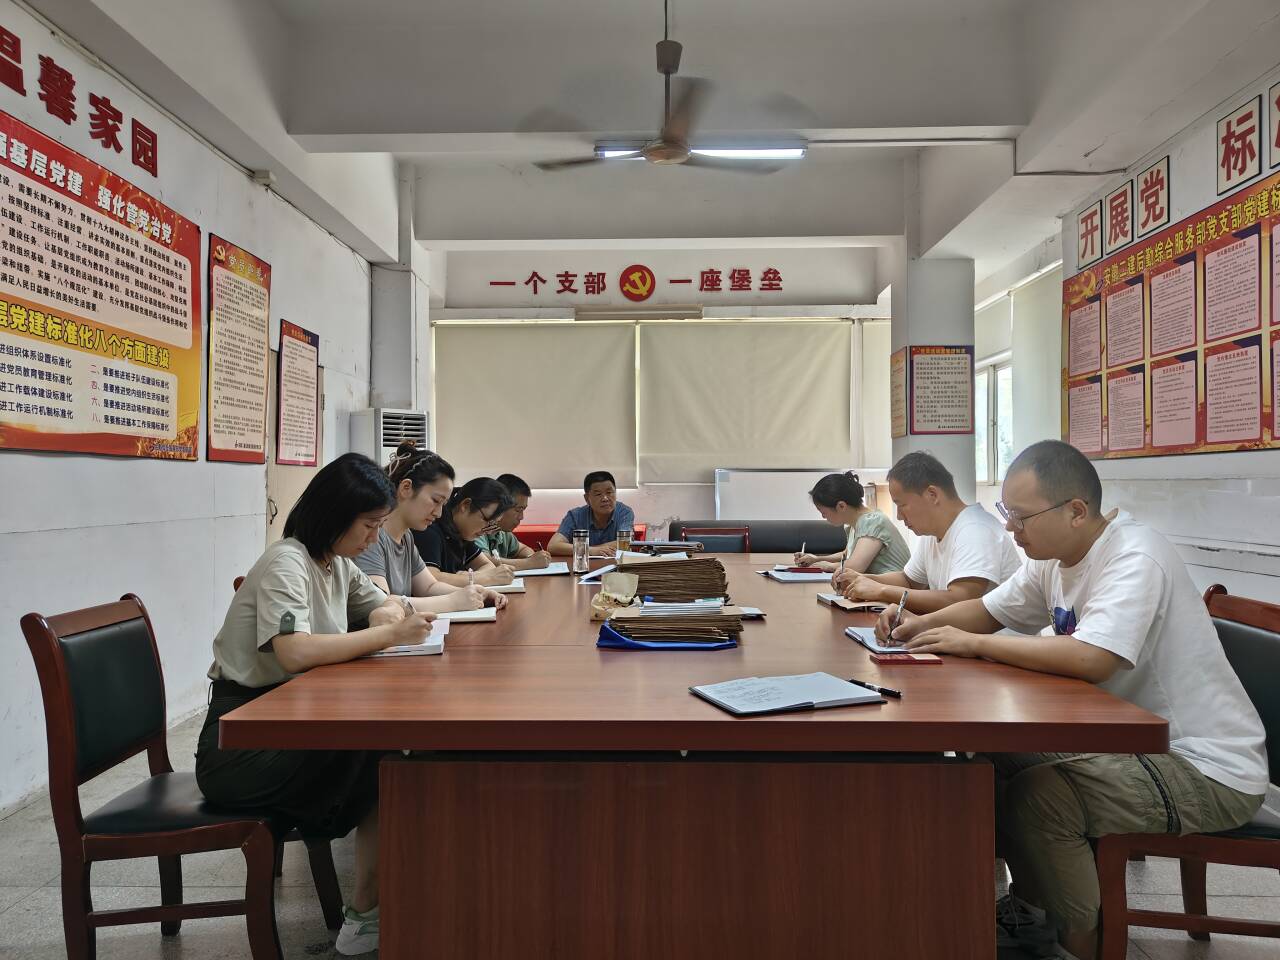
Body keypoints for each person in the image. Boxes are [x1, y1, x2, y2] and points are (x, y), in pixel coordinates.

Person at [876, 440, 1267, 960]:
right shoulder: (1052, 560)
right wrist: (916, 624)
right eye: (1006, 514)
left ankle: (1077, 942)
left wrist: (970, 644)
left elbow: (1093, 657)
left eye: (1021, 518)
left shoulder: (1134, 556)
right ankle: (1030, 910)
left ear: (1076, 511)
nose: (1010, 529)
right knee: (994, 759)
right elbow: (988, 611)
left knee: (1043, 799)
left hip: (1205, 766)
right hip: (1133, 744)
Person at [196, 453, 436, 956]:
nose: (374, 537)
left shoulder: (335, 563)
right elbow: (295, 652)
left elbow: (385, 603)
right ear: (334, 515)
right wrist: (388, 633)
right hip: (241, 745)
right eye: (368, 525)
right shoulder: (287, 562)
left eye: (379, 525)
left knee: (397, 751)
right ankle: (368, 914)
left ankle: (383, 902)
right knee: (389, 756)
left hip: (292, 720)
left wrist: (388, 614)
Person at [835, 451, 1019, 613]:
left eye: (901, 505)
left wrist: (881, 591)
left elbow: (959, 600)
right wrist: (861, 579)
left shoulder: (976, 530)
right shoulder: (933, 532)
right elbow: (909, 580)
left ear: (932, 494)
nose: (899, 516)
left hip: (999, 640)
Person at [355, 442, 507, 613]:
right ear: (406, 488)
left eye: (443, 504)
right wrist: (453, 602)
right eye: (435, 501)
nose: (439, 513)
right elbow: (381, 603)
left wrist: (477, 593)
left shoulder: (406, 536)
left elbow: (428, 587)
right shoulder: (372, 536)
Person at [794, 471, 910, 576]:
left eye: (823, 512)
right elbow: (847, 554)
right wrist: (816, 559)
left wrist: (827, 566)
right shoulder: (856, 524)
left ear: (841, 506)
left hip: (893, 588)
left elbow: (855, 566)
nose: (823, 517)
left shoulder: (873, 522)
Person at [412, 476, 516, 587]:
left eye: (493, 524)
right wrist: (484, 578)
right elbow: (429, 579)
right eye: (487, 520)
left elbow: (487, 565)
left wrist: (468, 577)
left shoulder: (461, 531)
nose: (487, 530)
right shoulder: (430, 528)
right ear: (465, 505)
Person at [473, 473, 553, 571]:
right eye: (518, 510)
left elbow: (523, 549)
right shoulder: (477, 528)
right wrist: (529, 563)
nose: (521, 517)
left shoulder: (502, 531)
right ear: (500, 505)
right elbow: (482, 561)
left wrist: (533, 558)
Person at [548, 470, 636, 558]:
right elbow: (553, 546)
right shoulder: (575, 516)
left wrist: (585, 549)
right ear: (587, 498)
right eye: (598, 494)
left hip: (614, 564)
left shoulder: (624, 512)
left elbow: (625, 543)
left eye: (609, 492)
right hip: (583, 565)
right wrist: (590, 550)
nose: (605, 498)